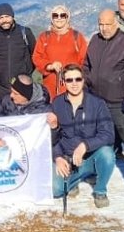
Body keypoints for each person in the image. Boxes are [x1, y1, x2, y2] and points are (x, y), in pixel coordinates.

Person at [85, 9, 124, 194]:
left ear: (116, 23)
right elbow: (86, 66)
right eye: (101, 24)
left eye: (108, 24)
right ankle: (98, 171)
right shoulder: (95, 41)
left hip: (119, 101)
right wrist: (86, 87)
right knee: (101, 140)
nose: (104, 28)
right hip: (97, 100)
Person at [47, 64, 115, 208]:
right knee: (55, 190)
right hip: (67, 158)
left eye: (78, 79)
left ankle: (100, 190)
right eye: (69, 80)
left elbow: (108, 134)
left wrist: (85, 145)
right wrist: (58, 157)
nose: (74, 84)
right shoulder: (57, 103)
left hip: (90, 157)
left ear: (83, 81)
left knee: (107, 154)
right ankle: (74, 180)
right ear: (63, 82)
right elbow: (52, 138)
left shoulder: (97, 103)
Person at [0, 2, 37, 103]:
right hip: (1, 88)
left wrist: (27, 72)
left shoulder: (25, 33)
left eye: (7, 16)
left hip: (22, 88)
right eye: (1, 17)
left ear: (13, 16)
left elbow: (35, 55)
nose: (4, 20)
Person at [32, 4, 88, 99]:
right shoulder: (44, 37)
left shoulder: (77, 37)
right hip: (50, 87)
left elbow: (84, 59)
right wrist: (49, 66)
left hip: (72, 86)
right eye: (55, 15)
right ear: (52, 18)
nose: (59, 18)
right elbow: (36, 57)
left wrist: (74, 74)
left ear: (67, 18)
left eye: (62, 15)